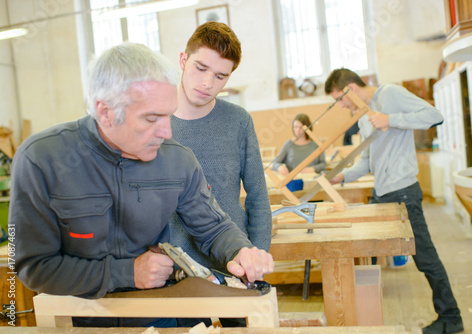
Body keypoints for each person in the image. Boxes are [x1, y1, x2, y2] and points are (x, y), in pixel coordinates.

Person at [9, 42, 274, 328]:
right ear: (106, 112)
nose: (167, 131)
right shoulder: (40, 160)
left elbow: (214, 227)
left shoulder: (177, 159)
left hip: (163, 312)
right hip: (82, 317)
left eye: (168, 114)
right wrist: (126, 273)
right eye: (151, 118)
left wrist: (240, 251)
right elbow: (30, 265)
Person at [324, 68, 463, 334]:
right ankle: (364, 317)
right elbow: (366, 160)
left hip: (403, 192)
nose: (341, 106)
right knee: (367, 250)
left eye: (339, 99)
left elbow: (434, 116)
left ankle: (451, 317)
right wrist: (341, 176)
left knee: (424, 256)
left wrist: (391, 118)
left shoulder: (389, 94)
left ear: (350, 89)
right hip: (382, 192)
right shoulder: (365, 117)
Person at [168, 21, 272, 328]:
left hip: (234, 267)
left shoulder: (238, 121)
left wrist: (256, 257)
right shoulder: (156, 122)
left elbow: (257, 196)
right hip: (178, 271)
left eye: (220, 76)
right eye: (200, 68)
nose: (207, 83)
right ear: (183, 60)